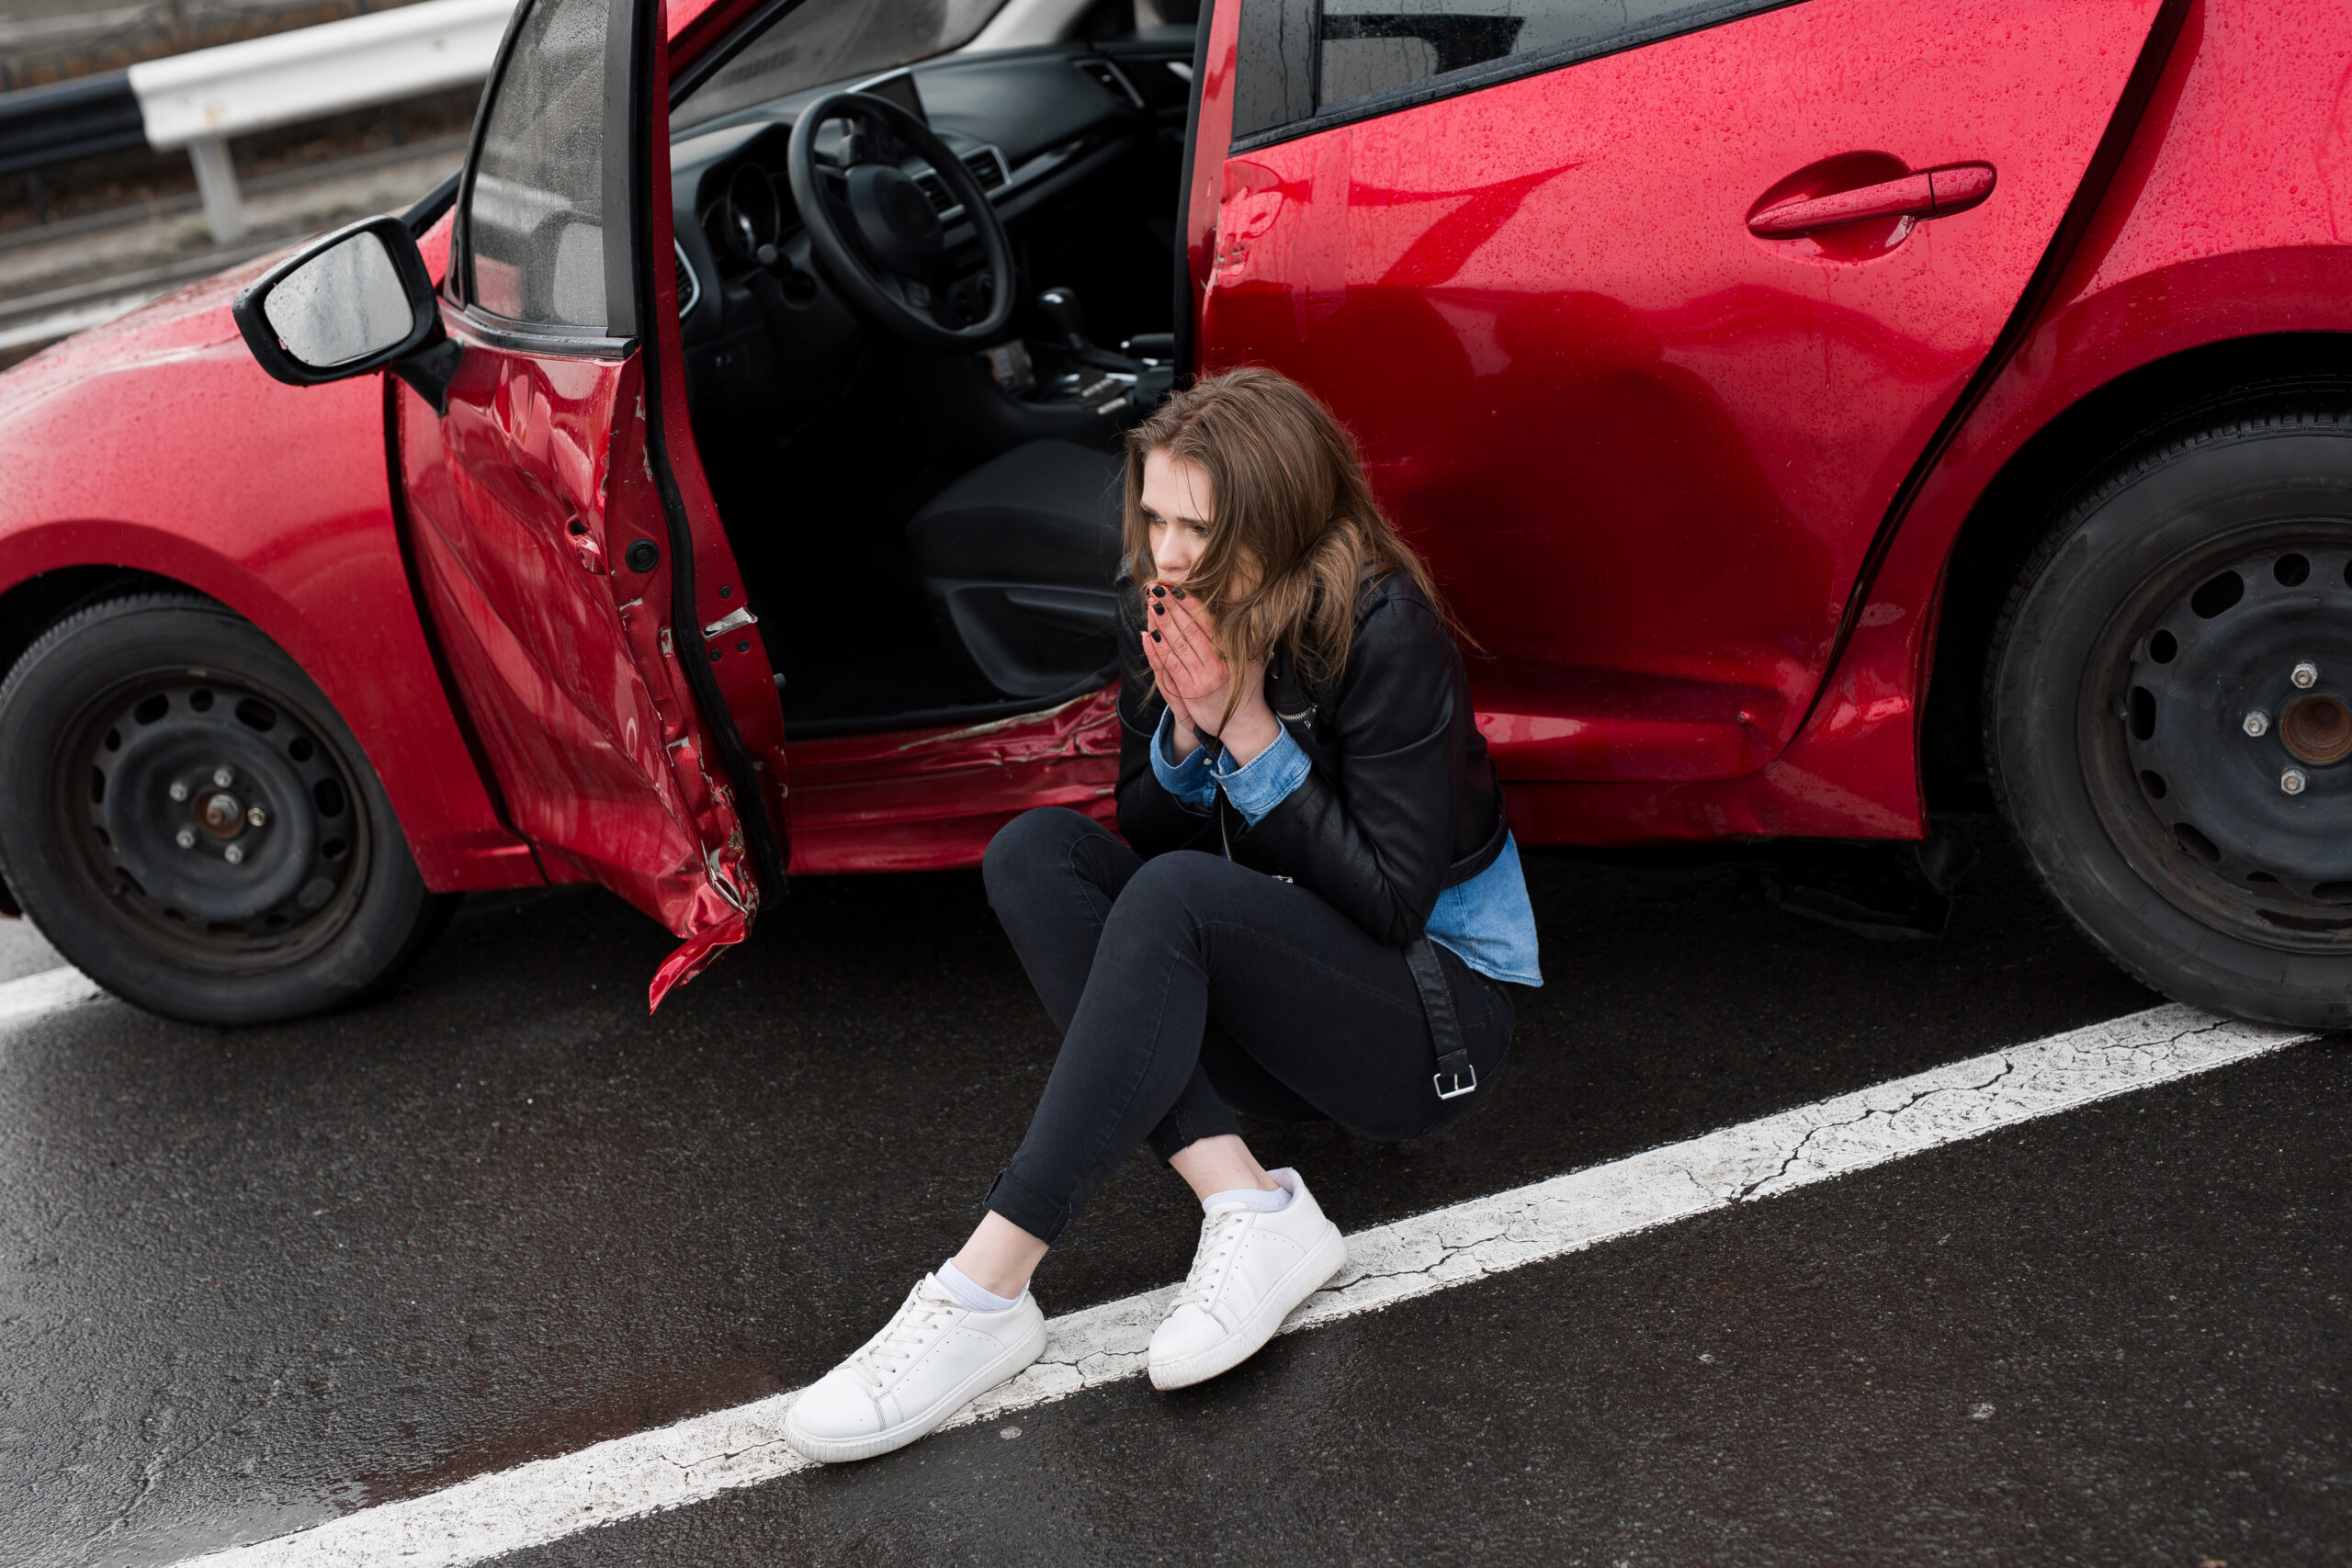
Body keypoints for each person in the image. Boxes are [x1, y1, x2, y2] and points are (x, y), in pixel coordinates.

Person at [782, 367, 1542, 1463]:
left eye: (1201, 526)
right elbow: (1151, 830)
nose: (1170, 554)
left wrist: (1246, 734)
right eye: (1157, 519)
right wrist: (1187, 738)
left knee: (1175, 900)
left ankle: (982, 1293)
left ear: (1276, 518)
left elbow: (1388, 902)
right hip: (1288, 998)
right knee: (1036, 853)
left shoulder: (1384, 630)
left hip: (1434, 1017)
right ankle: (1248, 1206)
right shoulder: (1180, 601)